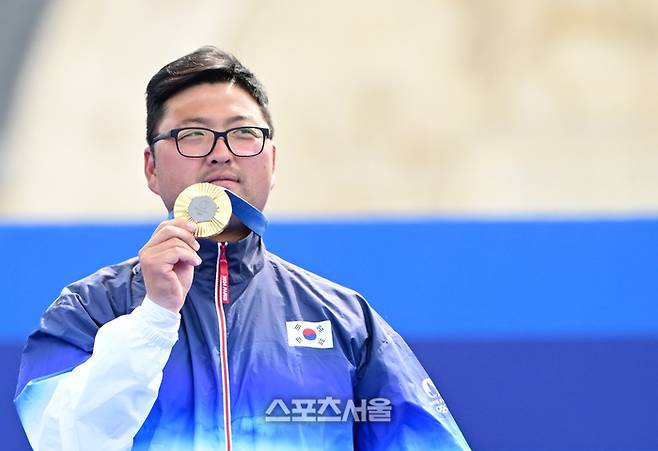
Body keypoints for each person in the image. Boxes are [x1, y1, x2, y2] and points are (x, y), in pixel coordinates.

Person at [15, 46, 470, 451]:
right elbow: (59, 439)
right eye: (192, 134)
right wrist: (153, 319)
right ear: (151, 168)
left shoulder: (347, 322)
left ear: (272, 162)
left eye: (242, 133)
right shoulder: (86, 310)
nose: (220, 153)